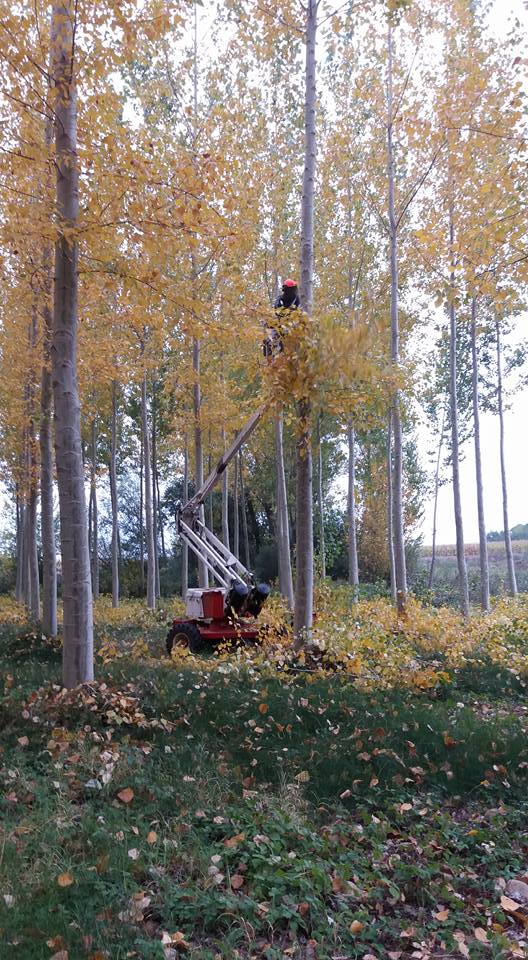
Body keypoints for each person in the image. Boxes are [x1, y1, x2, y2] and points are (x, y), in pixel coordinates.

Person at [263, 278, 300, 358]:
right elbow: (276, 309)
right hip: (279, 323)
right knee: (267, 339)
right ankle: (269, 357)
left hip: (291, 324)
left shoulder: (297, 299)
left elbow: (299, 311)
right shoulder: (280, 299)